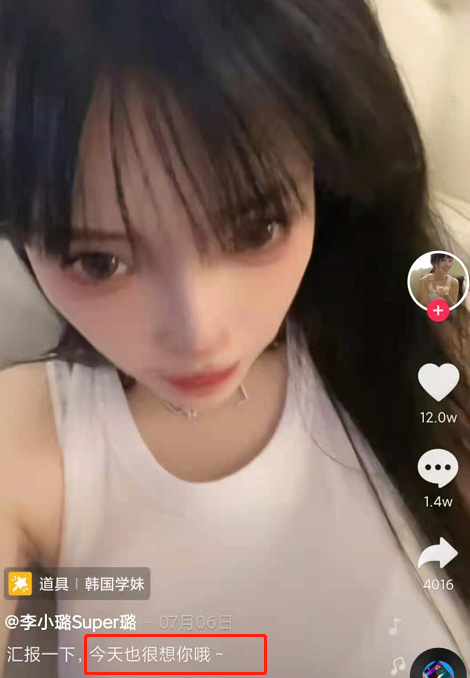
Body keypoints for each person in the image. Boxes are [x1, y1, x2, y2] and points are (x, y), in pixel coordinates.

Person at [0, 0, 469, 676]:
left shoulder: (431, 350)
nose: (199, 334)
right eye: (98, 261)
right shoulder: (25, 439)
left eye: (256, 230)